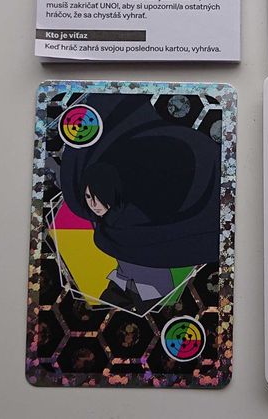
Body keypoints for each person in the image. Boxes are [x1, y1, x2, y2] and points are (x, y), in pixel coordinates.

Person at [60, 94, 221, 313]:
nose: (94, 205)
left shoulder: (137, 224)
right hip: (129, 286)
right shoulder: (109, 225)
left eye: (98, 198)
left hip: (153, 289)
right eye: (89, 198)